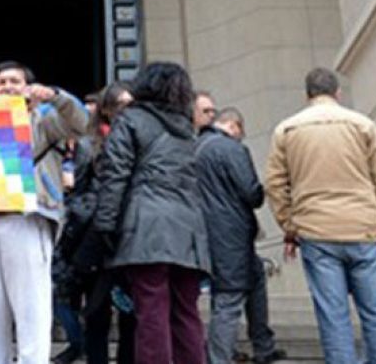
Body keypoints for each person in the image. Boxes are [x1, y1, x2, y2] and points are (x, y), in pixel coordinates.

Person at [265, 68, 376, 364]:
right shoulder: (363, 125)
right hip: (364, 229)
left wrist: (290, 224)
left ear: (307, 96)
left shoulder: (286, 130)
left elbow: (275, 186)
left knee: (334, 319)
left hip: (316, 233)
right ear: (337, 93)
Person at [0, 61, 88, 364]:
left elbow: (81, 122)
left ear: (28, 87)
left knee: (31, 310)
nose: (6, 87)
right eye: (0, 82)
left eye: (14, 81)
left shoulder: (44, 119)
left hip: (27, 220)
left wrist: (54, 96)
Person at [93, 62, 210, 364]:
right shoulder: (188, 130)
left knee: (151, 312)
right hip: (189, 231)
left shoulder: (130, 120)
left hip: (146, 227)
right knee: (186, 313)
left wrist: (105, 224)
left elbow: (115, 174)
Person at [53, 81, 135, 364]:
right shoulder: (88, 146)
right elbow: (76, 192)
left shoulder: (141, 141)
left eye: (132, 105)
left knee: (131, 316)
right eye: (122, 105)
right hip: (97, 240)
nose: (128, 111)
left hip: (132, 238)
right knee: (97, 314)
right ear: (108, 110)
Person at [196, 107, 285, 364]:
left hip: (207, 234)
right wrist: (262, 192)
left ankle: (263, 346)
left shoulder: (195, 148)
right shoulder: (231, 148)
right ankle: (219, 358)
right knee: (229, 298)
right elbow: (251, 193)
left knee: (255, 278)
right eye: (240, 131)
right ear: (233, 125)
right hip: (231, 234)